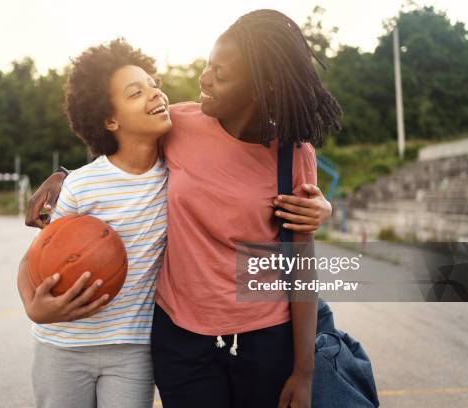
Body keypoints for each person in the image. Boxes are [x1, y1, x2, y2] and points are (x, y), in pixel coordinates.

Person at [25, 9, 340, 408]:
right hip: (181, 340)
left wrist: (304, 371)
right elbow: (121, 141)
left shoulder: (293, 156)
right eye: (208, 65)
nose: (204, 79)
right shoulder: (182, 124)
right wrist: (64, 175)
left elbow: (301, 265)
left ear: (260, 89)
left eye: (220, 75)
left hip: (264, 339)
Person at [17, 38, 172, 408]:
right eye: (136, 93)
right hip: (63, 346)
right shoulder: (82, 185)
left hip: (132, 348)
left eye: (155, 85)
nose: (155, 94)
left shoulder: (178, 175)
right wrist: (33, 306)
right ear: (110, 119)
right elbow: (31, 260)